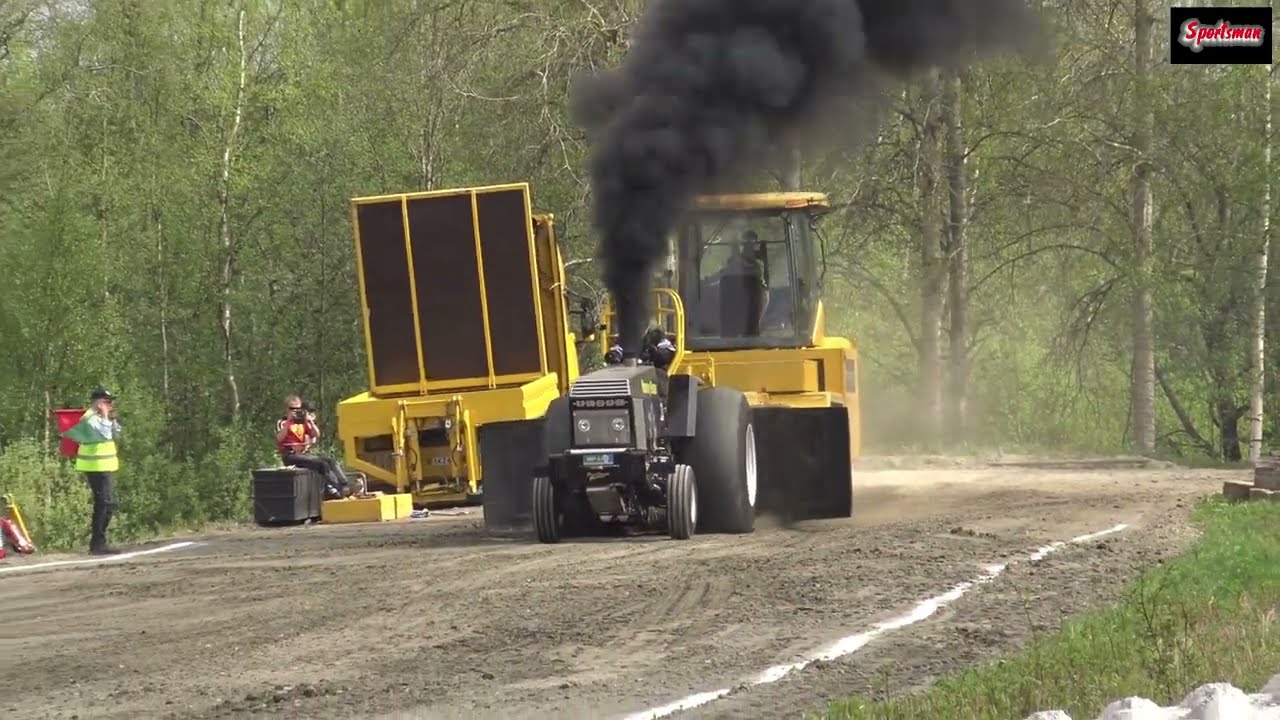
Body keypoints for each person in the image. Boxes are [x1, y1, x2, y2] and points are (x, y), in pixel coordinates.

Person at [60, 386, 122, 555]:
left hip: (105, 466)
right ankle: (97, 544)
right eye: (107, 402)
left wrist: (112, 419)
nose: (110, 405)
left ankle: (99, 542)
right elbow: (105, 434)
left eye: (110, 402)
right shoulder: (90, 418)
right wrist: (106, 416)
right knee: (103, 504)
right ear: (98, 402)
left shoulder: (104, 417)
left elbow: (117, 434)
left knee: (108, 505)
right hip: (95, 467)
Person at [275, 395, 352, 500]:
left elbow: (316, 434)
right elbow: (279, 438)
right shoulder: (283, 423)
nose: (295, 411)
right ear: (286, 409)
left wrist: (310, 421)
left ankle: (344, 484)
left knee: (329, 460)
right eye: (292, 409)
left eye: (298, 409)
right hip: (290, 455)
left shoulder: (302, 423)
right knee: (321, 464)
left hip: (302, 454)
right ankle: (336, 488)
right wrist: (288, 422)